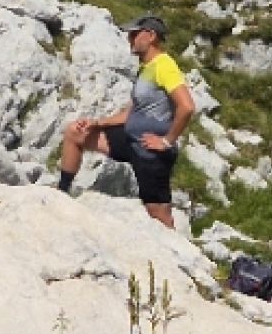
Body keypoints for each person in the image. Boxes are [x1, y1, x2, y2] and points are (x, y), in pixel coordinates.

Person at [57, 15, 195, 228]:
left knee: (159, 215)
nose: (129, 39)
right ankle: (61, 193)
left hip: (150, 152)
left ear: (150, 36)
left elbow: (187, 106)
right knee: (75, 132)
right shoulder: (146, 67)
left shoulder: (164, 65)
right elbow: (132, 111)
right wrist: (98, 123)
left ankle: (174, 248)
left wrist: (166, 141)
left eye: (134, 34)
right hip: (130, 140)